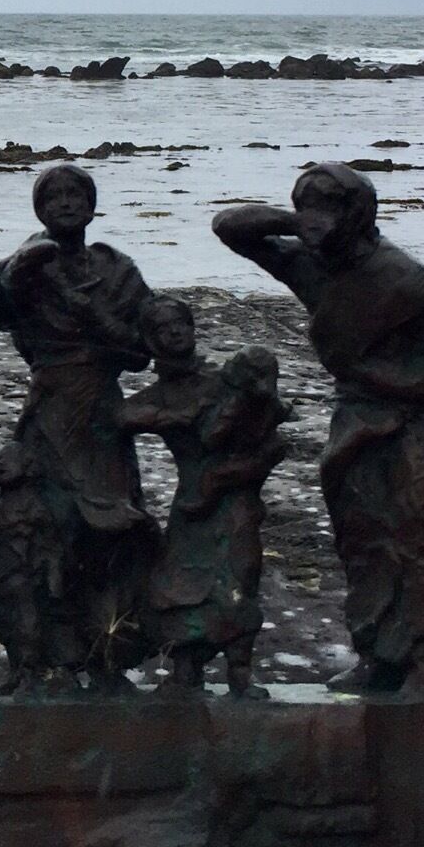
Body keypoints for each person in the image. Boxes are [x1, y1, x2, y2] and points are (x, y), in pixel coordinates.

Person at [214, 164, 424, 699]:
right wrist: (297, 223)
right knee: (361, 539)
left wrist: (375, 378)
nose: (319, 221)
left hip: (403, 429)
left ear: (357, 214)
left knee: (420, 538)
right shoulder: (310, 266)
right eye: (308, 206)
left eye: (331, 208)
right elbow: (230, 227)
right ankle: (376, 654)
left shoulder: (398, 278)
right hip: (352, 423)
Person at [0, 163, 158, 691]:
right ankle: (49, 657)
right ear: (38, 208)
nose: (64, 202)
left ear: (91, 205)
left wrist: (94, 317)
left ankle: (108, 652)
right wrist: (21, 272)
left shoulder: (117, 269)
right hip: (51, 404)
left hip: (103, 409)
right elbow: (1, 311)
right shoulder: (23, 266)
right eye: (52, 195)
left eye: (75, 194)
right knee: (50, 532)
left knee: (112, 530)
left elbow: (141, 351)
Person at [119, 297, 290, 698]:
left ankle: (240, 674)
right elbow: (116, 418)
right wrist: (172, 418)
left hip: (236, 502)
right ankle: (186, 670)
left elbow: (274, 428)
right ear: (149, 341)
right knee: (180, 585)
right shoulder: (160, 394)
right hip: (192, 503)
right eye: (161, 329)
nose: (174, 332)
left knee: (238, 582)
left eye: (180, 323)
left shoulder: (224, 379)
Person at [0, 438, 77, 696]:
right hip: (0, 574)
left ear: (28, 466)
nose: (0, 463)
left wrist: (53, 578)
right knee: (5, 622)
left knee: (28, 621)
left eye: (8, 458)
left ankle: (32, 672)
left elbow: (56, 544)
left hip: (31, 574)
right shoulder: (0, 500)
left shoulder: (40, 502)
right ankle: (19, 668)